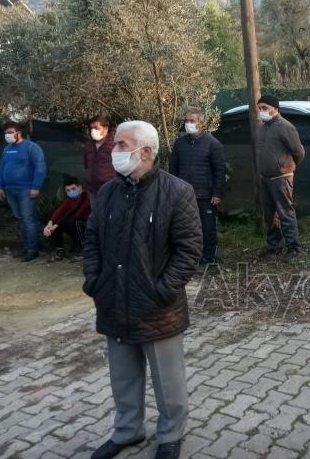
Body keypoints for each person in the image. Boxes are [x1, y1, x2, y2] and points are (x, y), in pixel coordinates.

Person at [83, 120, 201, 459]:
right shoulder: (108, 192)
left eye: (121, 144)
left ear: (145, 152)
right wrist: (94, 280)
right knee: (123, 377)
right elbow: (91, 239)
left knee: (168, 380)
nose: (114, 149)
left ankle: (170, 434)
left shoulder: (177, 192)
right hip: (113, 301)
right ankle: (128, 430)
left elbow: (189, 250)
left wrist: (162, 291)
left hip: (157, 308)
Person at [168, 107, 226, 267]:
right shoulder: (180, 143)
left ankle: (209, 257)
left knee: (207, 227)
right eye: (186, 121)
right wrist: (173, 190)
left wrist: (217, 193)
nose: (188, 124)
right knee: (185, 227)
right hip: (183, 195)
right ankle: (190, 256)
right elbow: (173, 167)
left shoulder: (213, 144)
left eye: (191, 121)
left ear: (201, 123)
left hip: (205, 194)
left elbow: (219, 170)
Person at [255, 95, 305, 258]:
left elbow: (299, 152)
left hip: (281, 177)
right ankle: (274, 245)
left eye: (265, 108)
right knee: (269, 214)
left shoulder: (285, 127)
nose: (262, 111)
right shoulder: (261, 128)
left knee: (285, 212)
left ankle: (293, 247)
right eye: (260, 108)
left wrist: (286, 166)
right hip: (265, 177)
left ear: (275, 109)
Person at [0, 121, 47, 262]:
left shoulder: (32, 147)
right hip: (10, 190)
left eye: (10, 132)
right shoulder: (7, 149)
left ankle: (33, 250)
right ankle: (26, 247)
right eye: (5, 133)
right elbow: (2, 168)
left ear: (19, 133)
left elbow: (40, 168)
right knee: (20, 219)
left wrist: (36, 187)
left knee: (28, 219)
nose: (7, 135)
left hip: (27, 190)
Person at [43, 176, 91, 260]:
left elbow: (75, 213)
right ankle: (59, 251)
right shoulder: (70, 200)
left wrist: (56, 225)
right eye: (68, 190)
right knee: (57, 220)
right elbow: (59, 211)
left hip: (88, 225)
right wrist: (50, 223)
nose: (71, 192)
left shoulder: (86, 196)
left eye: (73, 189)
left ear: (80, 187)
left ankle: (83, 250)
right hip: (75, 224)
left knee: (74, 222)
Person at [84, 115, 116, 198]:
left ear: (106, 128)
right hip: (92, 189)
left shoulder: (114, 145)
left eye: (96, 128)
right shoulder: (89, 145)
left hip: (109, 190)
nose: (93, 131)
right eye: (91, 128)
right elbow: (86, 164)